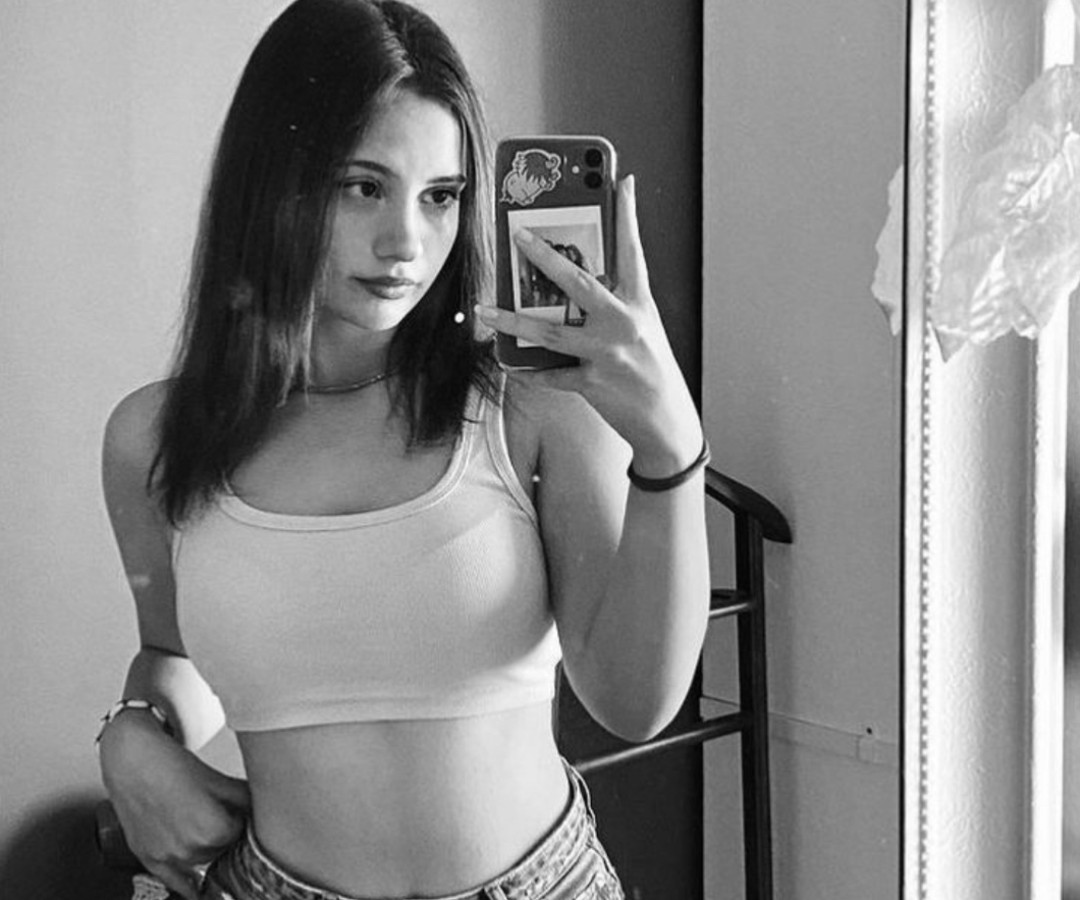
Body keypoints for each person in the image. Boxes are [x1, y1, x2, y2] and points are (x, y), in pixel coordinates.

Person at [95, 1, 711, 898]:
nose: (406, 244)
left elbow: (634, 701)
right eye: (363, 187)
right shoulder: (153, 440)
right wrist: (132, 733)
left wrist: (669, 444)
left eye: (441, 196)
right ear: (272, 184)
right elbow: (175, 659)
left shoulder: (531, 407)